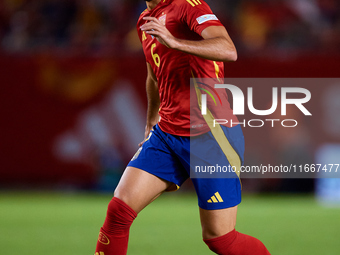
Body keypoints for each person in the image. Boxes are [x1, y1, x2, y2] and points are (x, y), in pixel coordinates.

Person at [95, 0, 271, 254]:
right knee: (119, 211)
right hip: (167, 134)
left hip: (211, 134)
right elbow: (153, 75)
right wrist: (150, 122)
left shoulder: (189, 5)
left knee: (220, 239)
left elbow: (229, 50)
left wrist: (175, 42)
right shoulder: (145, 20)